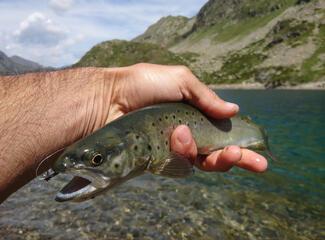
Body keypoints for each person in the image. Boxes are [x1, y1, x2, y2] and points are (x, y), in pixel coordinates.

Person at [0, 63, 267, 203]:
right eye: (97, 160)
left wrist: (114, 93)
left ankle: (259, 140)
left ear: (138, 145)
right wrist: (112, 94)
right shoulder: (132, 136)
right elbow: (181, 168)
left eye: (96, 161)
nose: (95, 163)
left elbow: (180, 168)